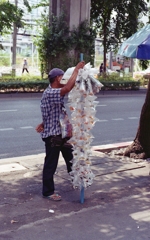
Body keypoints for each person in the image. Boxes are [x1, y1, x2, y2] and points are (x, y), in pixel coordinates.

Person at [36, 61, 85, 201]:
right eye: (63, 77)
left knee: (71, 159)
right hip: (53, 137)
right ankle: (48, 192)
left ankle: (76, 180)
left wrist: (43, 123)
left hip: (61, 134)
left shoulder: (53, 92)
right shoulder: (51, 92)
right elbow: (68, 88)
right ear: (58, 78)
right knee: (51, 164)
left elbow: (51, 112)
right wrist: (76, 70)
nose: (64, 79)